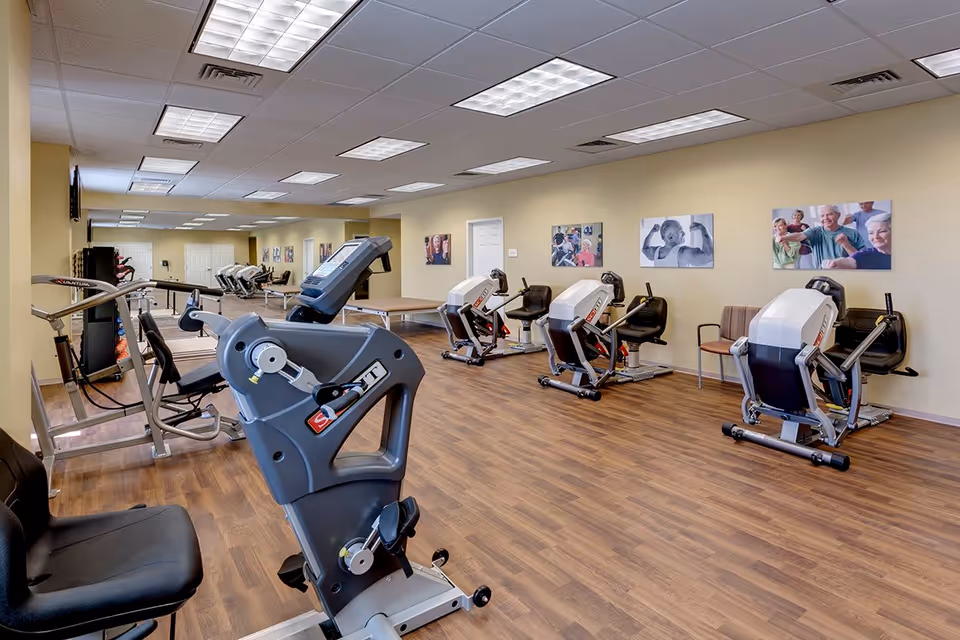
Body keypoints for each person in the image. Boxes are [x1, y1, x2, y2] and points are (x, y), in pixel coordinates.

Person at [776, 205, 865, 267]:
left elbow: (861, 260)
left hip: (845, 274)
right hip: (821, 275)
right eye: (822, 216)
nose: (825, 218)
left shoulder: (852, 233)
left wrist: (846, 244)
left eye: (829, 214)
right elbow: (799, 236)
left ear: (838, 215)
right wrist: (783, 237)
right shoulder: (815, 231)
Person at [823, 213, 892, 270]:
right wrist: (834, 263)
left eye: (882, 231)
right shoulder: (866, 255)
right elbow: (850, 261)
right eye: (871, 233)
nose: (876, 236)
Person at [642, 218, 713, 267]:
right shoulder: (683, 252)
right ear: (670, 237)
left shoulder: (655, 252)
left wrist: (652, 232)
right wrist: (703, 228)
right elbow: (709, 255)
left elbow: (644, 249)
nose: (684, 234)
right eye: (681, 232)